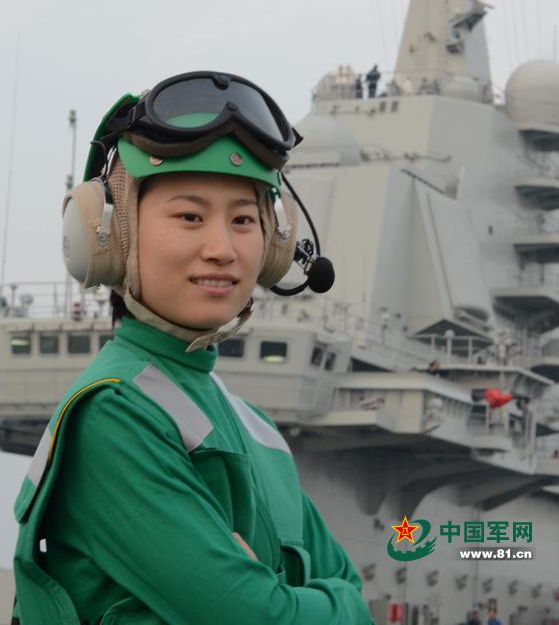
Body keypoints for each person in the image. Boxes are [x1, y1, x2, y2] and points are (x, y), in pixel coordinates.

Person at [13, 71, 373, 624]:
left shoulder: (256, 428)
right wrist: (321, 602)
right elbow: (263, 617)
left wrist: (288, 601)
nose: (221, 248)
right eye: (190, 216)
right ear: (111, 237)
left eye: (244, 219)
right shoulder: (113, 415)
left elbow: (348, 598)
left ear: (276, 244)